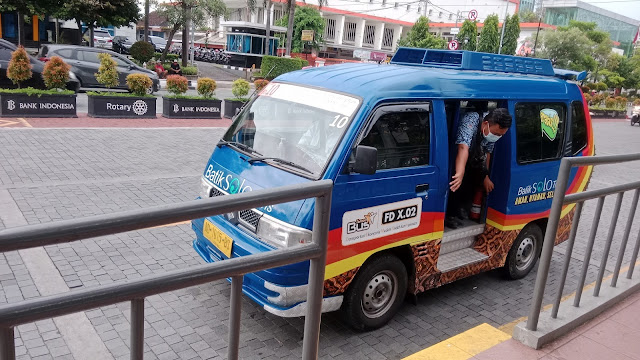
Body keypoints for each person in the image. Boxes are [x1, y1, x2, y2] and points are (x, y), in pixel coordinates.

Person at [446, 107, 512, 229]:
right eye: (497, 134)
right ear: (486, 124)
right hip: (453, 152)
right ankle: (449, 214)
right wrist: (460, 173)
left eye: (500, 135)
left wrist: (485, 176)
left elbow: (487, 152)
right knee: (455, 180)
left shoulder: (491, 131)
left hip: (471, 156)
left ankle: (458, 209)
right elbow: (463, 147)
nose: (497, 137)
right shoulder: (470, 120)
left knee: (471, 179)